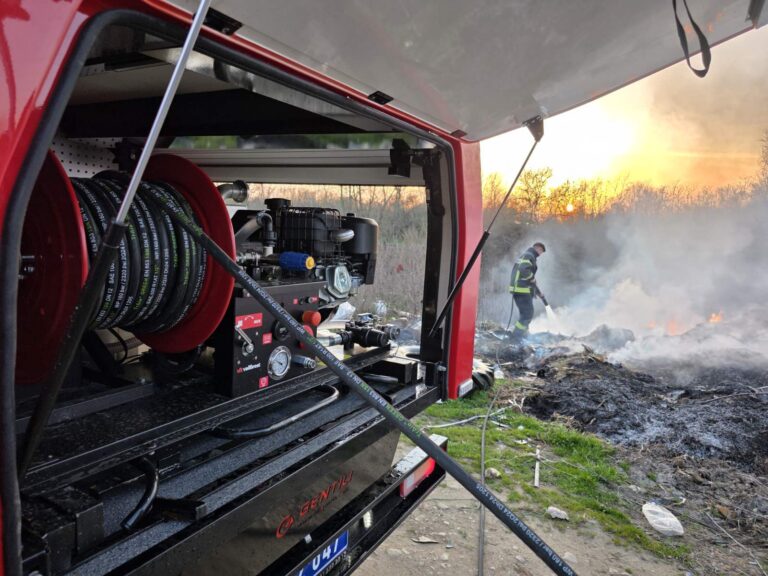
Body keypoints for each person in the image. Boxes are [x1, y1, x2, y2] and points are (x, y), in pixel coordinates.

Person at [508, 242, 546, 341]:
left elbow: (530, 280)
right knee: (528, 313)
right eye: (541, 251)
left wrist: (538, 293)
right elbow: (523, 270)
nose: (541, 254)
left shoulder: (527, 255)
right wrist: (531, 277)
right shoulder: (529, 255)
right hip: (521, 289)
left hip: (519, 289)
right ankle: (516, 337)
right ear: (537, 248)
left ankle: (522, 334)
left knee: (524, 314)